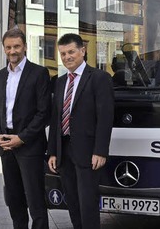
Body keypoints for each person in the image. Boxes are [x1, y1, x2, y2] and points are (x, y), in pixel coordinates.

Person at [47, 33, 114, 229]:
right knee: (73, 202)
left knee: (88, 202)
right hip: (65, 151)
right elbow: (56, 119)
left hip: (88, 152)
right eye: (63, 53)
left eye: (71, 52)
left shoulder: (99, 78)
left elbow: (105, 117)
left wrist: (100, 151)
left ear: (82, 51)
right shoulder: (60, 82)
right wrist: (52, 151)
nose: (67, 57)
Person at [0, 28, 50, 229]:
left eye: (16, 46)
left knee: (35, 200)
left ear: (24, 46)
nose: (12, 51)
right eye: (8, 47)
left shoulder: (39, 73)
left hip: (29, 146)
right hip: (6, 145)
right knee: (14, 199)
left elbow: (44, 113)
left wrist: (22, 138)